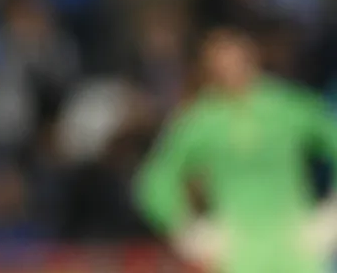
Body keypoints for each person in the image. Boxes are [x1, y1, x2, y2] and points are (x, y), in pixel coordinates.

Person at [135, 27, 337, 273]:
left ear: (253, 58)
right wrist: (188, 232)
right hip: (238, 251)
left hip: (295, 244)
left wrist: (330, 217)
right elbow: (157, 181)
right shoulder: (202, 120)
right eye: (220, 62)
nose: (231, 68)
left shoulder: (287, 106)